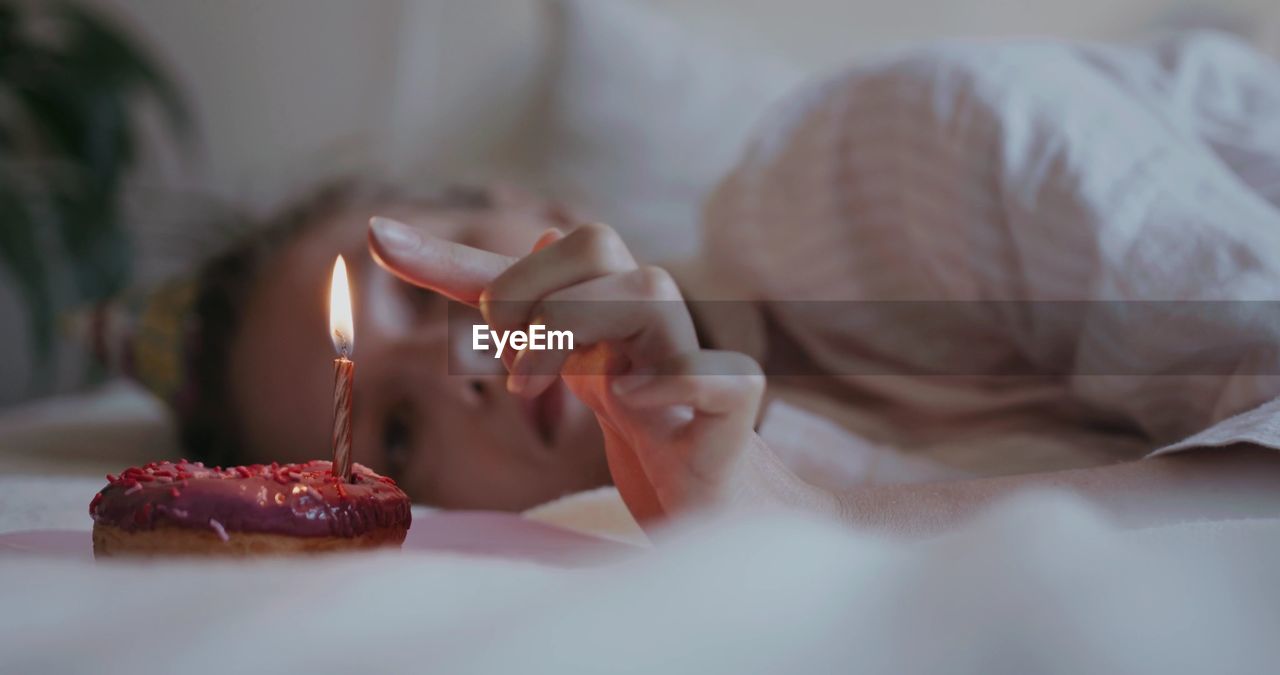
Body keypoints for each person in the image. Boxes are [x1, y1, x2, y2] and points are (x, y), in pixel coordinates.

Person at [105, 34, 1280, 534]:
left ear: (549, 216)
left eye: (418, 292)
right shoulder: (708, 499)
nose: (459, 369)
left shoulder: (896, 155)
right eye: (394, 429)